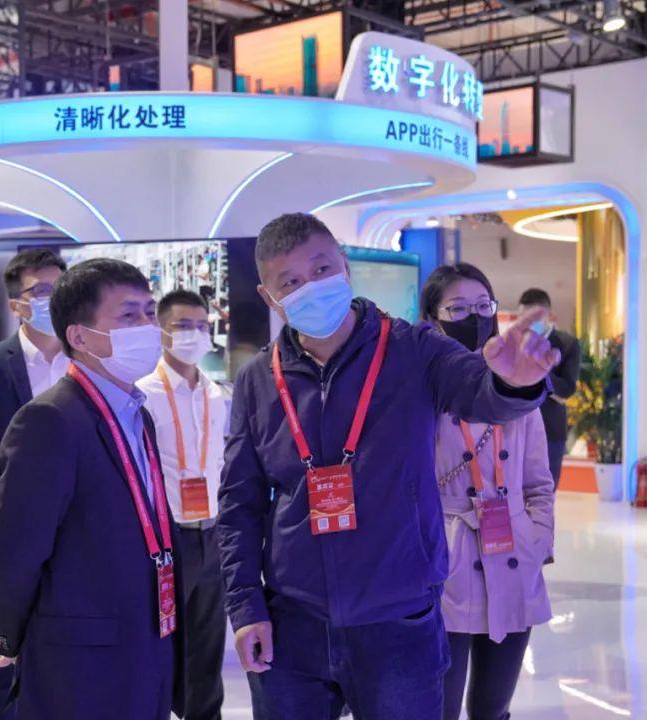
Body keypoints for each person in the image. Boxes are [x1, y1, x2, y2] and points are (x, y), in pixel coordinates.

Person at [218, 213, 559, 719]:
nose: (310, 288)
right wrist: (247, 607)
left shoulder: (411, 349)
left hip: (399, 620)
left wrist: (513, 384)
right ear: (270, 297)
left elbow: (478, 393)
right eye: (290, 282)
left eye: (321, 269)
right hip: (294, 626)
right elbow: (239, 504)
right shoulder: (257, 381)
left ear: (344, 266)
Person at [0, 258, 182, 719]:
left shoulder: (137, 413)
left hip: (147, 638)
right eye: (128, 315)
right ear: (80, 336)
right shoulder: (50, 419)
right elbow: (13, 550)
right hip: (81, 660)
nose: (147, 326)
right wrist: (9, 635)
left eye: (149, 312)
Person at [421, 264, 554, 720]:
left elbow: (539, 482)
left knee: (493, 709)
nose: (474, 317)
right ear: (431, 318)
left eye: (483, 306)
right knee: (439, 706)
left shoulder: (519, 383)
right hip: (445, 561)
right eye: (457, 308)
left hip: (513, 555)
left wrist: (537, 539)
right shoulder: (420, 389)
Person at [0, 248, 67, 720]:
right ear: (16, 302)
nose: (50, 299)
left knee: (69, 654)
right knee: (8, 655)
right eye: (39, 290)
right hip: (11, 535)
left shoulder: (87, 358)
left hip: (79, 531)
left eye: (58, 289)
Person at [137, 289, 228, 720]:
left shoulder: (216, 393)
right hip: (165, 538)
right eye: (183, 325)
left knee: (208, 646)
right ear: (161, 331)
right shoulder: (143, 393)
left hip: (212, 532)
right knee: (159, 644)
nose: (195, 334)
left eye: (202, 326)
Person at [517, 288, 582, 486]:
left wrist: (537, 370)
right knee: (515, 490)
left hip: (550, 429)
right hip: (516, 428)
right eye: (523, 318)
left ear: (548, 315)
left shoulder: (567, 344)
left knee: (545, 490)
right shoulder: (513, 344)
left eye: (533, 318)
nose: (527, 324)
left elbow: (567, 389)